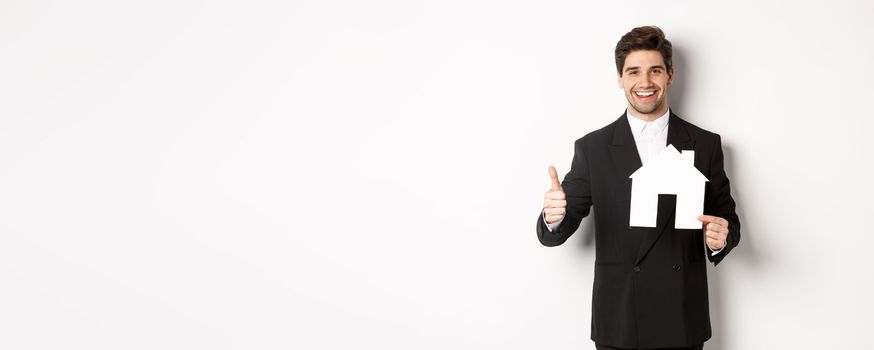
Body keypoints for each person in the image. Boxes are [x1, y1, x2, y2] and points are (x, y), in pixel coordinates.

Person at [536, 26, 740, 350]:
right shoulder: (593, 148)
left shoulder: (705, 144)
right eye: (633, 72)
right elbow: (559, 226)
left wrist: (721, 238)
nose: (644, 83)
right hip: (619, 321)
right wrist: (553, 215)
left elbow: (727, 219)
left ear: (670, 75)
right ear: (620, 78)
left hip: (681, 319)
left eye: (654, 71)